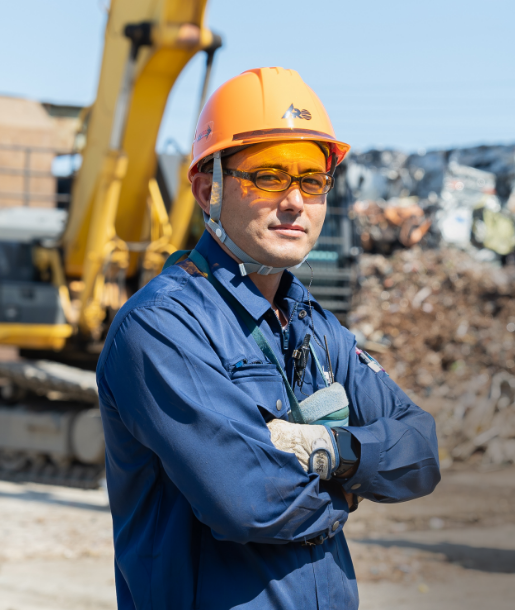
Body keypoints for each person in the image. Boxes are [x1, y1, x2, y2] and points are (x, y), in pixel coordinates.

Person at [96, 67, 441, 610]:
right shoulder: (163, 328)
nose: (295, 202)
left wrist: (335, 452)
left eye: (312, 180)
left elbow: (421, 451)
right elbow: (250, 503)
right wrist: (355, 487)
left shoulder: (313, 324)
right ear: (208, 188)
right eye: (269, 176)